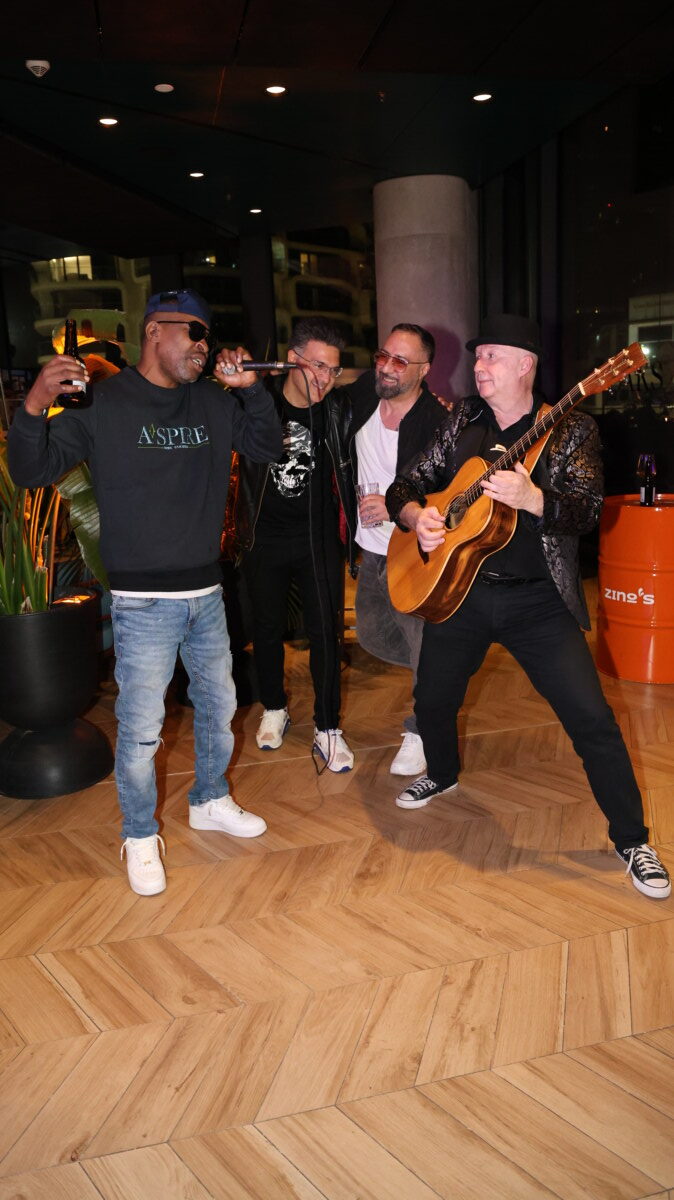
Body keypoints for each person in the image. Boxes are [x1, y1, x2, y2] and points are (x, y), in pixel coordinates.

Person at [7, 288, 282, 897]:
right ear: (156, 330)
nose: (204, 346)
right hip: (142, 602)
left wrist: (252, 392)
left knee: (220, 709)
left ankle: (209, 799)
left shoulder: (212, 402)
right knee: (140, 730)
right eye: (194, 332)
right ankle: (137, 834)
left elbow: (266, 447)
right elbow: (30, 471)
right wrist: (35, 403)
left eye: (208, 334)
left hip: (206, 591)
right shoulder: (103, 403)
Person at [386, 312, 671, 900]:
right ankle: (442, 774)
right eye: (477, 355)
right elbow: (405, 485)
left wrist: (535, 497)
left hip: (537, 602)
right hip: (461, 594)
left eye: (491, 355)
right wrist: (417, 517)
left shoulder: (569, 429)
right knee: (432, 699)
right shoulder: (462, 418)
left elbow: (587, 511)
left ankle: (632, 839)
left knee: (592, 721)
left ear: (526, 365)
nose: (479, 366)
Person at [231, 316, 355, 772]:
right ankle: (274, 707)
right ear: (291, 360)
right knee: (266, 628)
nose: (325, 379)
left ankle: (328, 726)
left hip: (318, 540)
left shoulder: (338, 409)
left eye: (333, 370)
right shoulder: (257, 402)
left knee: (325, 631)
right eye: (317, 366)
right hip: (263, 535)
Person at [341, 324, 450, 775]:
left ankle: (423, 727)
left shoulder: (437, 423)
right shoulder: (363, 396)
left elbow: (447, 493)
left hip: (413, 553)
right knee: (373, 635)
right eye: (383, 355)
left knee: (423, 645)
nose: (386, 367)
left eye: (400, 361)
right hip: (371, 548)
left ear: (424, 370)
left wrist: (392, 503)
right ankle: (445, 668)